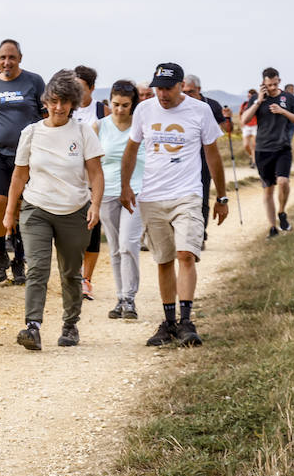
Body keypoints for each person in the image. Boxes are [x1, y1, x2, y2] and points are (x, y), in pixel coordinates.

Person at [122, 62, 229, 348]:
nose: (163, 94)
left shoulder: (200, 111)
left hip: (188, 194)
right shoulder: (144, 110)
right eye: (158, 88)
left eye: (168, 88)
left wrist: (221, 197)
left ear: (181, 86)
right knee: (163, 259)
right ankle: (168, 322)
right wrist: (125, 186)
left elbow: (213, 155)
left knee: (186, 254)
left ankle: (186, 320)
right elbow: (131, 149)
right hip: (152, 196)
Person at [4, 71, 104, 350]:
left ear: (74, 103)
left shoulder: (83, 132)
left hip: (73, 210)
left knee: (70, 272)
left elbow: (96, 174)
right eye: (54, 101)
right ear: (46, 101)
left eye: (65, 102)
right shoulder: (32, 132)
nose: (59, 107)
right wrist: (10, 212)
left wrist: (95, 205)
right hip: (36, 208)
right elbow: (18, 175)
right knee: (37, 267)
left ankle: (70, 324)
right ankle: (32, 327)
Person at [0, 38, 45, 286]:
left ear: (20, 58)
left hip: (28, 156)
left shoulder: (34, 81)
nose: (7, 62)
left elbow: (44, 115)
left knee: (21, 208)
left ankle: (20, 259)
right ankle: (0, 254)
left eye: (11, 57)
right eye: (3, 57)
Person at [94, 80, 145, 320]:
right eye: (115, 104)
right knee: (115, 248)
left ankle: (129, 298)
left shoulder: (141, 127)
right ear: (109, 102)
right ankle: (120, 297)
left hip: (136, 191)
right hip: (107, 192)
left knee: (128, 244)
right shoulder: (100, 127)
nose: (120, 110)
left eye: (125, 105)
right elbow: (91, 163)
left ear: (133, 104)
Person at [241, 67, 294, 238]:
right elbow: (244, 120)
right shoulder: (257, 98)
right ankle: (272, 227)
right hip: (262, 150)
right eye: (269, 85)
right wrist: (259, 101)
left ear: (279, 81)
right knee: (268, 190)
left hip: (282, 148)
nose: (273, 88)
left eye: (275, 84)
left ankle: (282, 212)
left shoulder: (288, 98)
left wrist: (283, 111)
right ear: (263, 83)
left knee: (283, 182)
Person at [183, 74, 232, 235]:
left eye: (190, 92)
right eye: (184, 91)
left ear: (199, 89)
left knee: (202, 196)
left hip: (205, 158)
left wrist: (228, 118)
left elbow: (228, 129)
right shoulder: (180, 105)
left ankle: (200, 232)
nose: (187, 95)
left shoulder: (211, 105)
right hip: (184, 158)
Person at [72, 65, 105, 299]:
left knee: (92, 230)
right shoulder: (65, 109)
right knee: (71, 232)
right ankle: (73, 275)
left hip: (94, 177)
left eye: (81, 87)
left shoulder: (102, 111)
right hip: (71, 180)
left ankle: (86, 279)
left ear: (92, 88)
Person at [239, 89, 259, 159]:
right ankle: (252, 156)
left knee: (254, 145)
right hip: (246, 126)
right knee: (246, 145)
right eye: (248, 96)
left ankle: (254, 162)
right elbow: (241, 113)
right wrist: (241, 122)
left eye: (250, 96)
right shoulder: (244, 104)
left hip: (255, 125)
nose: (249, 97)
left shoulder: (257, 104)